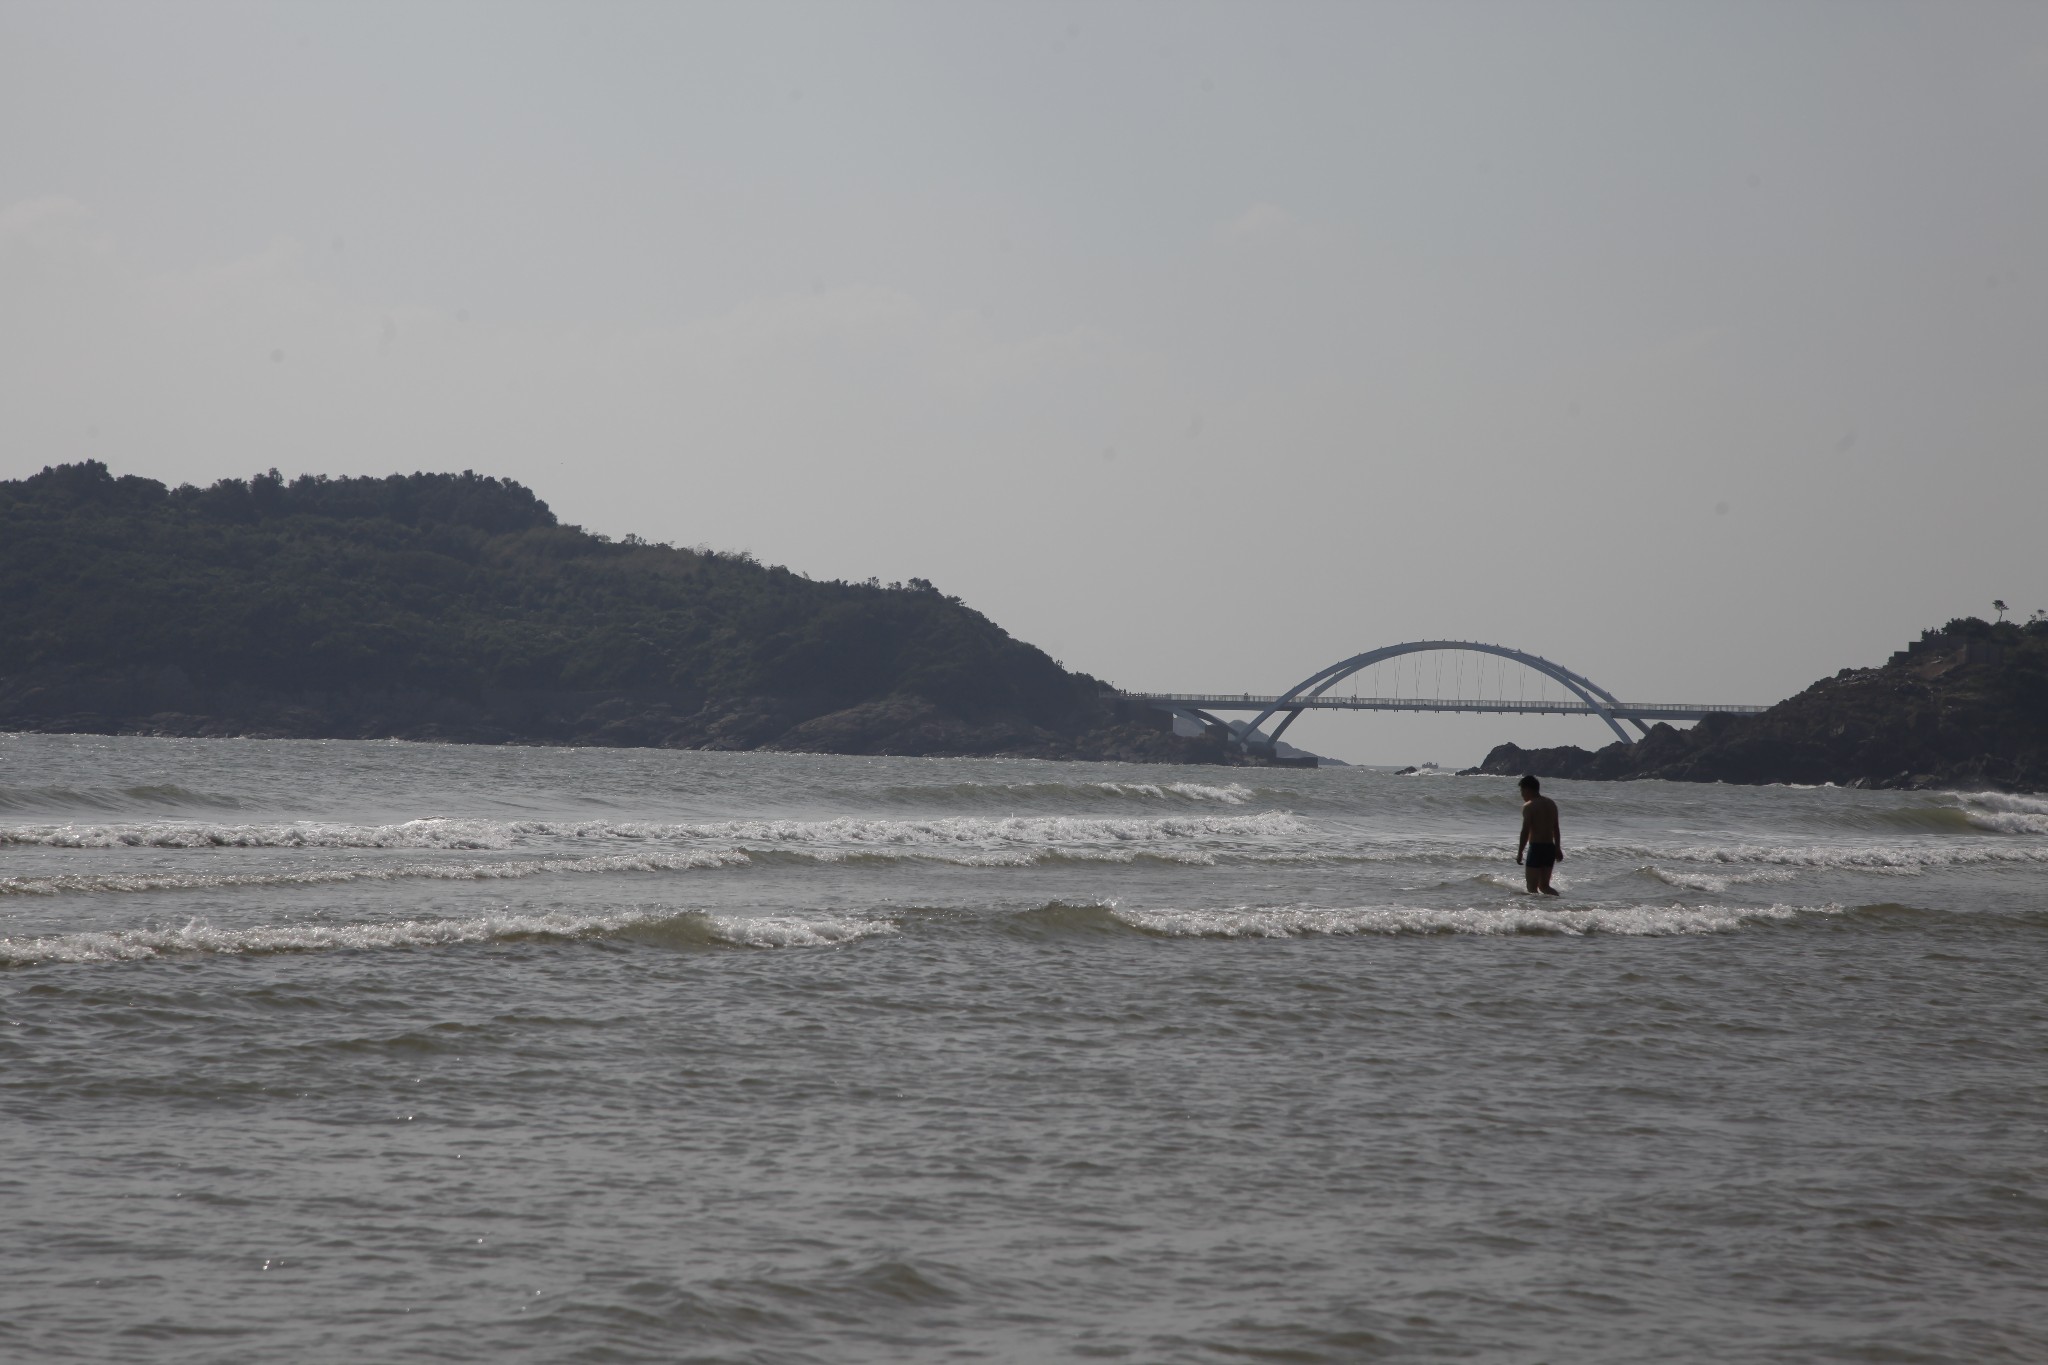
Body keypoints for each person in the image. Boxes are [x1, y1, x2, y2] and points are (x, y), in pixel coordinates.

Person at [1515, 774, 1563, 895]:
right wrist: (1557, 847)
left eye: (1522, 791)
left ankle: (1535, 912)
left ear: (1527, 789)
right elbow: (1556, 828)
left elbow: (1525, 831)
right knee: (1545, 887)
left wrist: (1520, 852)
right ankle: (1558, 904)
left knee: (1531, 888)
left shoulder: (1529, 806)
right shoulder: (1551, 804)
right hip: (1549, 848)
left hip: (1536, 848)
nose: (1521, 794)